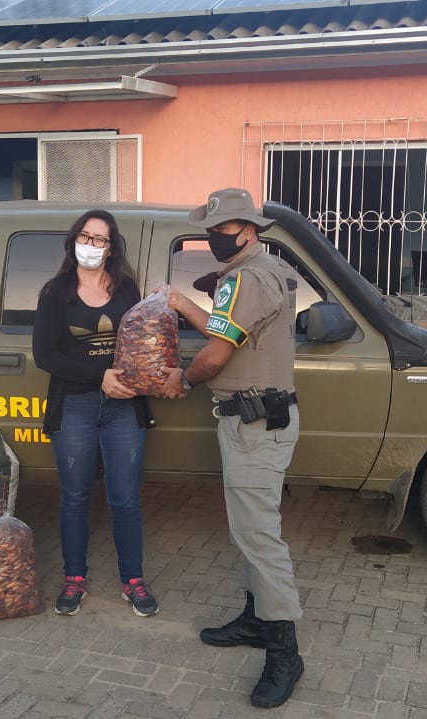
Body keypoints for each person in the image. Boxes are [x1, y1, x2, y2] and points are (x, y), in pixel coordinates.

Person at [162, 188, 304, 708]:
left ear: (247, 230)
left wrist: (183, 379)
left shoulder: (245, 278)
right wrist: (183, 305)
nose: (212, 239)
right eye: (210, 231)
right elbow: (228, 331)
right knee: (248, 531)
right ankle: (256, 619)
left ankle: (285, 651)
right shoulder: (258, 272)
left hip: (255, 426)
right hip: (255, 423)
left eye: (220, 232)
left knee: (261, 537)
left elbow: (217, 356)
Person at [32, 210, 161, 618]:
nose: (90, 245)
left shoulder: (125, 290)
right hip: (76, 405)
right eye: (84, 237)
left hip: (124, 406)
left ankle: (133, 581)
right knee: (75, 496)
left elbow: (143, 338)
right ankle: (74, 579)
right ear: (74, 241)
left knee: (125, 499)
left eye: (99, 239)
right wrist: (98, 377)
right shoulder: (55, 293)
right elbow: (45, 355)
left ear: (111, 247)